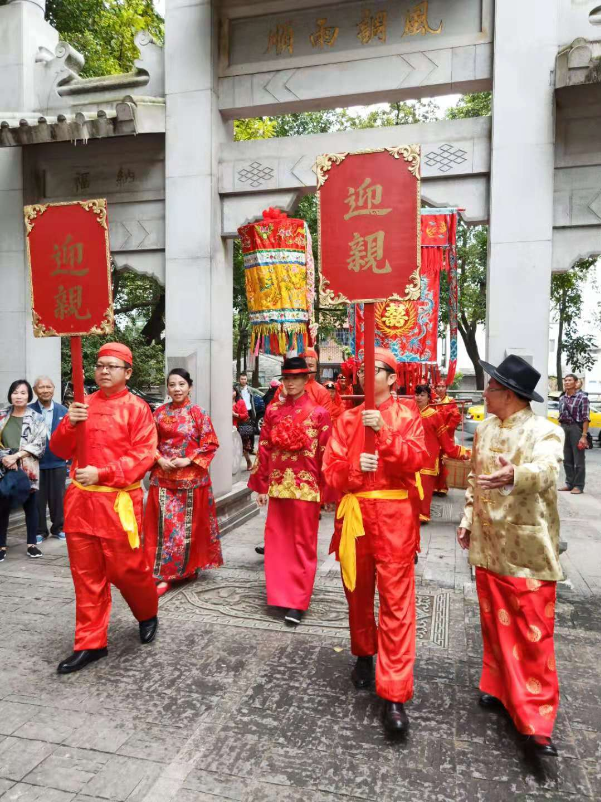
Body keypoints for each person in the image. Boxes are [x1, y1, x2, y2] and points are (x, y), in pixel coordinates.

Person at [457, 355, 564, 758]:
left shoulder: (545, 432)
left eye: (491, 387)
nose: (485, 392)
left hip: (528, 550)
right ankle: (498, 688)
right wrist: (468, 518)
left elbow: (549, 471)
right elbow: (473, 481)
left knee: (533, 633)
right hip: (488, 544)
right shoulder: (484, 430)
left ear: (510, 395)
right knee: (495, 623)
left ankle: (536, 722)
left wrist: (516, 475)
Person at [323, 348, 428, 734]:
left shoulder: (408, 416)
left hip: (396, 518)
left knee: (397, 603)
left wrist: (384, 435)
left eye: (375, 369)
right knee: (358, 591)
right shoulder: (346, 419)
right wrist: (353, 469)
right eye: (362, 369)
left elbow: (416, 461)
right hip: (356, 518)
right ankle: (365, 653)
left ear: (392, 378)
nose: (367, 375)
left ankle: (395, 693)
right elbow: (329, 474)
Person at [50, 342, 159, 674]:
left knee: (128, 571)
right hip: (81, 501)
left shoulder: (137, 409)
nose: (104, 371)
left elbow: (144, 456)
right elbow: (58, 448)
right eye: (100, 365)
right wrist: (70, 422)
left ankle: (147, 611)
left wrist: (104, 473)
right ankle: (90, 642)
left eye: (112, 366)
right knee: (86, 576)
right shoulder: (82, 405)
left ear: (128, 372)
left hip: (118, 502)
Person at [248, 356, 331, 625]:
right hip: (278, 486)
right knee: (277, 542)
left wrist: (327, 491)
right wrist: (261, 485)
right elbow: (265, 449)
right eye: (286, 378)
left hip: (306, 488)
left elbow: (326, 454)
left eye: (296, 377)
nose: (290, 382)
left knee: (302, 544)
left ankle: (298, 601)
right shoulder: (273, 412)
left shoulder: (320, 414)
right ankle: (280, 596)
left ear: (306, 379)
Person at [144, 368, 222, 598]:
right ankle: (163, 573)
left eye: (181, 384)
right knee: (164, 528)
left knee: (189, 528)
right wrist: (159, 459)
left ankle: (186, 569)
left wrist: (188, 459)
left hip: (192, 481)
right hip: (163, 478)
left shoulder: (198, 413)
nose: (176, 389)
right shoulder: (158, 413)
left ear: (189, 386)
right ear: (167, 388)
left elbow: (210, 443)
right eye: (172, 385)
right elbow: (148, 442)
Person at [0, 380, 46, 561]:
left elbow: (40, 444)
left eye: (23, 393)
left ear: (29, 396)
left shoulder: (37, 417)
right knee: (2, 506)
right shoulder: (2, 415)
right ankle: (2, 545)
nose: (18, 396)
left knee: (30, 505)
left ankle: (32, 544)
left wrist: (16, 456)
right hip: (4, 468)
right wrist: (5, 457)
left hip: (28, 468)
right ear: (10, 394)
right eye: (15, 392)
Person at [414, 384, 470, 523]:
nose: (419, 398)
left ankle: (422, 515)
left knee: (425, 492)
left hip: (428, 459)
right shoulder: (410, 414)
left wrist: (462, 453)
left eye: (422, 395)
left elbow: (445, 441)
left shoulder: (435, 415)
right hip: (411, 459)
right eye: (417, 395)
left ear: (429, 397)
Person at [30, 376, 68, 543]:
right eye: (41, 387)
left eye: (48, 387)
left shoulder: (63, 411)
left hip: (58, 461)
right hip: (35, 463)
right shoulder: (28, 411)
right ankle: (39, 531)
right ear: (35, 390)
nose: (45, 390)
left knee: (58, 499)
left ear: (54, 389)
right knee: (37, 499)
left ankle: (58, 528)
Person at [558, 373, 589, 495]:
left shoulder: (582, 398)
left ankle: (579, 485)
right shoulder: (562, 398)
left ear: (576, 383)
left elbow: (586, 418)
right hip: (564, 427)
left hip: (576, 428)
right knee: (566, 458)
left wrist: (584, 436)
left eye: (569, 380)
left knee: (578, 459)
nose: (566, 382)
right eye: (565, 380)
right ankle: (569, 483)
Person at [433, 378, 462, 497]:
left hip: (446, 434)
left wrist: (447, 428)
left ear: (446, 388)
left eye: (442, 386)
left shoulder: (450, 401)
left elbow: (456, 416)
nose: (440, 389)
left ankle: (442, 487)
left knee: (444, 461)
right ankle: (433, 486)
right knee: (434, 460)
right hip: (434, 435)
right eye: (438, 386)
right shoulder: (432, 400)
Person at [237, 373, 257, 465]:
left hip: (249, 411)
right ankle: (243, 449)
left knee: (251, 431)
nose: (243, 381)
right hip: (240, 411)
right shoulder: (236, 389)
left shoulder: (249, 389)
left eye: (245, 379)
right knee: (242, 431)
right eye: (242, 379)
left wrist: (253, 412)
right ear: (239, 379)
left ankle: (251, 449)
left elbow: (252, 401)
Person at [233, 386, 252, 470]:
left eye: (233, 391)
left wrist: (236, 415)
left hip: (240, 427)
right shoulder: (225, 403)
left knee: (244, 448)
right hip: (230, 428)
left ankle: (248, 461)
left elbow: (246, 414)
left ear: (236, 392)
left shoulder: (240, 402)